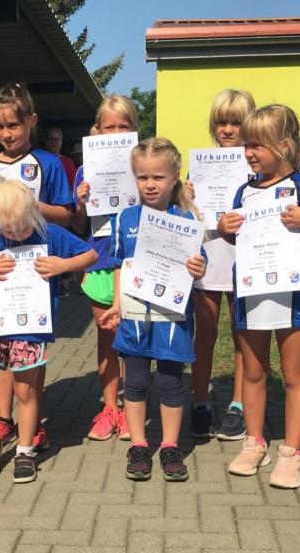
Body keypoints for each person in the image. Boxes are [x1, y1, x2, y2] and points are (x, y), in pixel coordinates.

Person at [218, 104, 300, 489]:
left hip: (293, 295)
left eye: (258, 145)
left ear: (284, 145)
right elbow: (237, 239)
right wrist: (225, 228)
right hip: (251, 292)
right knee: (254, 372)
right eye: (247, 145)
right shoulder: (244, 191)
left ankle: (291, 451)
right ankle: (255, 442)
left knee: (295, 373)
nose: (249, 153)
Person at [0, 176, 96, 483]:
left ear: (33, 212)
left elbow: (91, 254)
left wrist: (63, 266)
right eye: (8, 228)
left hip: (31, 328)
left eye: (21, 226)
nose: (15, 233)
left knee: (25, 390)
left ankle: (25, 451)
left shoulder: (50, 234)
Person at [0, 83, 74, 451]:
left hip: (36, 272)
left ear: (31, 121)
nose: (7, 133)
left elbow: (68, 215)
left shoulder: (48, 164)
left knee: (28, 350)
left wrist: (32, 206)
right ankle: (2, 418)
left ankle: (33, 420)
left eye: (13, 125)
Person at [98, 137, 205, 482]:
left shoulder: (186, 218)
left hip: (173, 319)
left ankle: (171, 446)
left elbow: (198, 266)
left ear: (174, 177)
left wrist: (198, 268)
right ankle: (139, 446)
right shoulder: (125, 218)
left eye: (158, 177)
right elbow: (119, 264)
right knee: (136, 381)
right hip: (134, 317)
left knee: (172, 383)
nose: (150, 184)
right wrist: (117, 303)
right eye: (142, 177)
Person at [186, 88, 255, 441]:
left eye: (236, 123)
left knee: (243, 335)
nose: (227, 129)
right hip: (208, 259)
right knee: (205, 335)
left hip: (246, 261)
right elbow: (187, 217)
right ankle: (200, 402)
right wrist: (185, 197)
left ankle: (238, 406)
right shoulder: (200, 167)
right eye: (221, 122)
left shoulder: (259, 167)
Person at [72, 95, 139, 441]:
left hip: (134, 262)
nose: (115, 133)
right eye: (108, 126)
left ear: (134, 129)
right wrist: (81, 201)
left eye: (123, 127)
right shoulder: (85, 171)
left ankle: (133, 409)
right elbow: (78, 225)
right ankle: (110, 408)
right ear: (97, 130)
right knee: (107, 337)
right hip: (99, 261)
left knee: (132, 339)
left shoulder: (143, 164)